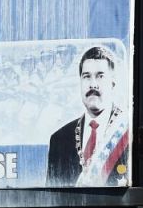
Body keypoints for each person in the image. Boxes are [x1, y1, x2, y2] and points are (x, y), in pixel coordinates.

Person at [46, 44, 129, 187]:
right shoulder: (59, 140)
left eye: (100, 76)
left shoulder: (128, 132)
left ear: (113, 82)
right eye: (86, 76)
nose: (93, 85)